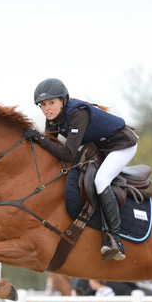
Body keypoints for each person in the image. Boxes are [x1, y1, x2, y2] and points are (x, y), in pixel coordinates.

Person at [24, 78, 139, 262]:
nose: (47, 108)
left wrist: (40, 139)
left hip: (121, 145)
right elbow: (50, 147)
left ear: (63, 100)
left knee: (101, 180)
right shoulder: (52, 119)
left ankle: (115, 240)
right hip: (100, 147)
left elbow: (68, 153)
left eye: (51, 103)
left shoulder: (77, 114)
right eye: (43, 104)